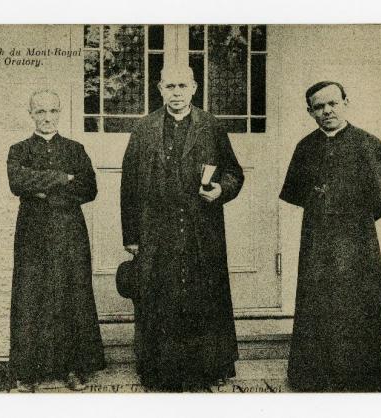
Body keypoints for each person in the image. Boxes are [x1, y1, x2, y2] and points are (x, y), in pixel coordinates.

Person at [120, 65, 244, 391]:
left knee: (205, 293)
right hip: (156, 229)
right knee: (159, 294)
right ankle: (157, 370)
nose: (176, 93)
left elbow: (234, 172)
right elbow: (129, 185)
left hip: (201, 226)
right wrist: (131, 235)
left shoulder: (211, 126)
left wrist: (221, 190)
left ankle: (212, 367)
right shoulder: (143, 129)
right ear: (160, 89)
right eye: (170, 86)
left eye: (182, 86)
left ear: (194, 88)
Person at [279, 81, 381, 392]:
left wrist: (363, 218)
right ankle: (315, 378)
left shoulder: (368, 144)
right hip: (317, 240)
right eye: (319, 107)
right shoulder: (305, 147)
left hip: (358, 241)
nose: (327, 111)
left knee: (359, 303)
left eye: (333, 104)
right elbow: (296, 193)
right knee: (318, 302)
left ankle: (364, 379)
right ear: (309, 112)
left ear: (346, 102)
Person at [7, 89, 105, 392]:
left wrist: (43, 189)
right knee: (31, 296)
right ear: (31, 114)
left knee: (71, 293)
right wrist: (64, 179)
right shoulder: (19, 150)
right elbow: (17, 182)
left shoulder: (76, 149)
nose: (47, 118)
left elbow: (89, 188)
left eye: (52, 111)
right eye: (40, 112)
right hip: (32, 235)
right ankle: (29, 372)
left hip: (69, 232)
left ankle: (74, 368)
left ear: (60, 113)